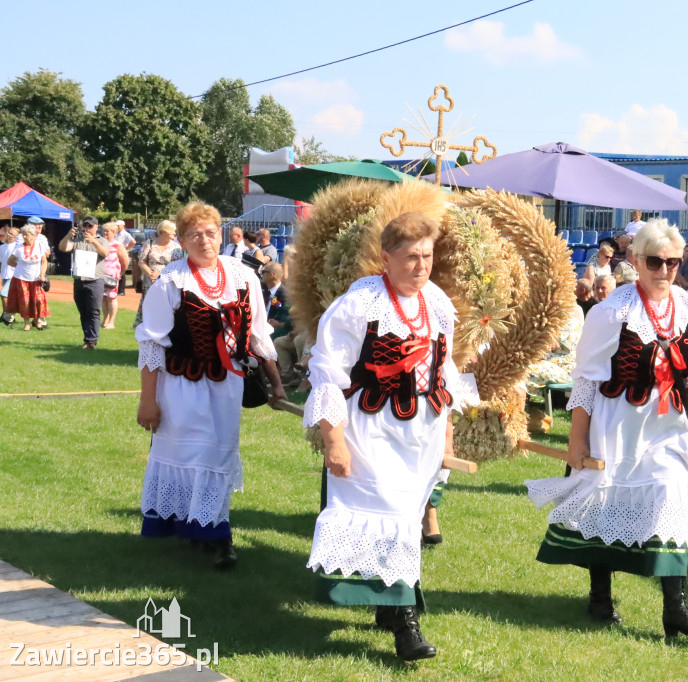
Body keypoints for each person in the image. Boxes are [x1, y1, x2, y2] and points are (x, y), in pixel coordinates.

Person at [527, 220, 688, 640]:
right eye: (654, 261)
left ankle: (675, 608)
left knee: (671, 498)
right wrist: (578, 441)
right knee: (605, 504)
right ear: (635, 261)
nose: (664, 270)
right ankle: (600, 595)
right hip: (616, 423)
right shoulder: (612, 312)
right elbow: (587, 381)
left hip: (668, 426)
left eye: (672, 262)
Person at [302, 211, 465, 662]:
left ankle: (388, 608)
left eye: (427, 256)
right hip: (371, 429)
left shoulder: (437, 303)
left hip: (422, 432)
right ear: (385, 257)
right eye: (410, 257)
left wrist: (447, 432)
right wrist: (333, 440)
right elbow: (327, 374)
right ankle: (407, 626)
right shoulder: (359, 304)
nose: (421, 266)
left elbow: (443, 371)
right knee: (386, 513)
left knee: (407, 520)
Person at [135, 201, 284, 568]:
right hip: (182, 386)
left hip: (228, 385)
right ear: (182, 242)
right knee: (189, 454)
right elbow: (152, 344)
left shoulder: (243, 276)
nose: (205, 240)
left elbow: (258, 334)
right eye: (195, 234)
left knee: (218, 454)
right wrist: (148, 402)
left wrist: (276, 384)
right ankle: (215, 536)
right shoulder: (170, 282)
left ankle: (210, 528)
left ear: (222, 233)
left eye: (211, 232)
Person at [58, 216, 110, 349]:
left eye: (90, 226)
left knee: (93, 311)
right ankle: (87, 339)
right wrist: (68, 235)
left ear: (96, 227)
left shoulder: (102, 240)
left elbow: (105, 253)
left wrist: (93, 241)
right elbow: (63, 247)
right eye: (85, 226)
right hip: (80, 280)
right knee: (83, 311)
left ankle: (92, 340)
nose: (87, 229)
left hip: (95, 280)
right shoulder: (77, 241)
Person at [4, 223, 49, 331]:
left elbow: (44, 262)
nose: (25, 237)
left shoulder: (39, 245)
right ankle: (27, 323)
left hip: (36, 279)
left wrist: (42, 274)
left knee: (38, 300)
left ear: (33, 235)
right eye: (23, 235)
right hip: (20, 278)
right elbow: (10, 261)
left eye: (27, 235)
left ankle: (37, 321)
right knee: (24, 301)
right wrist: (19, 266)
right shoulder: (19, 247)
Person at [134, 220, 179, 327]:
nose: (174, 233)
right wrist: (150, 273)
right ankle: (147, 326)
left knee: (165, 304)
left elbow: (177, 265)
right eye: (172, 231)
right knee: (150, 303)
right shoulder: (149, 244)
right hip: (150, 281)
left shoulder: (176, 247)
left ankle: (165, 325)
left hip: (167, 281)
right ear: (163, 232)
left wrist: (160, 274)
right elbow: (142, 261)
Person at [100, 222, 130, 329]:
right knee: (103, 298)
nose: (104, 233)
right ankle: (105, 320)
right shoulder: (101, 243)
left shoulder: (118, 245)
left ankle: (111, 322)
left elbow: (125, 262)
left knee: (111, 298)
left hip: (112, 275)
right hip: (101, 274)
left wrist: (120, 273)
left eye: (107, 231)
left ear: (113, 232)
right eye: (104, 230)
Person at [0, 226, 19, 325]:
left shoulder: (17, 247)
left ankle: (7, 316)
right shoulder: (2, 247)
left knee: (3, 293)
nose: (9, 235)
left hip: (13, 275)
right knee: (8, 296)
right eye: (9, 233)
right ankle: (6, 315)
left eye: (12, 234)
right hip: (4, 274)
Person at [114, 219, 136, 295]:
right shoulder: (116, 234)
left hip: (122, 254)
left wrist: (126, 249)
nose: (117, 227)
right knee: (116, 270)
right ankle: (116, 288)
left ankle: (121, 290)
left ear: (123, 226)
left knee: (122, 271)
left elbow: (133, 242)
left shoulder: (126, 234)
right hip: (116, 254)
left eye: (118, 226)